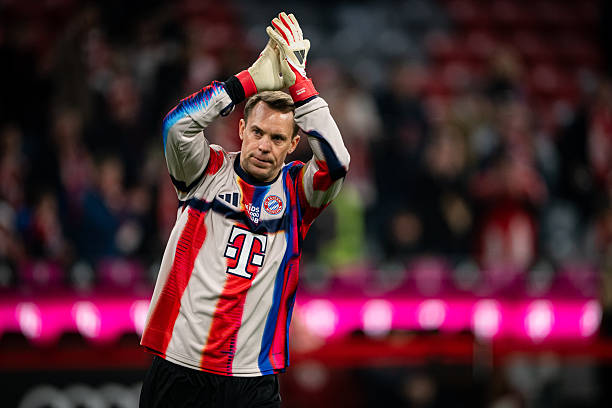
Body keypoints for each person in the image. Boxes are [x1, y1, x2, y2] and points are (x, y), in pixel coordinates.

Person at [139, 12, 350, 407]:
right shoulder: (206, 170)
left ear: (293, 146)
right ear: (241, 130)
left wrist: (301, 86)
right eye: (257, 132)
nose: (264, 145)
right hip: (181, 365)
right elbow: (175, 128)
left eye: (277, 138)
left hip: (252, 378)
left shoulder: (298, 194)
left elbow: (337, 162)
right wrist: (246, 82)